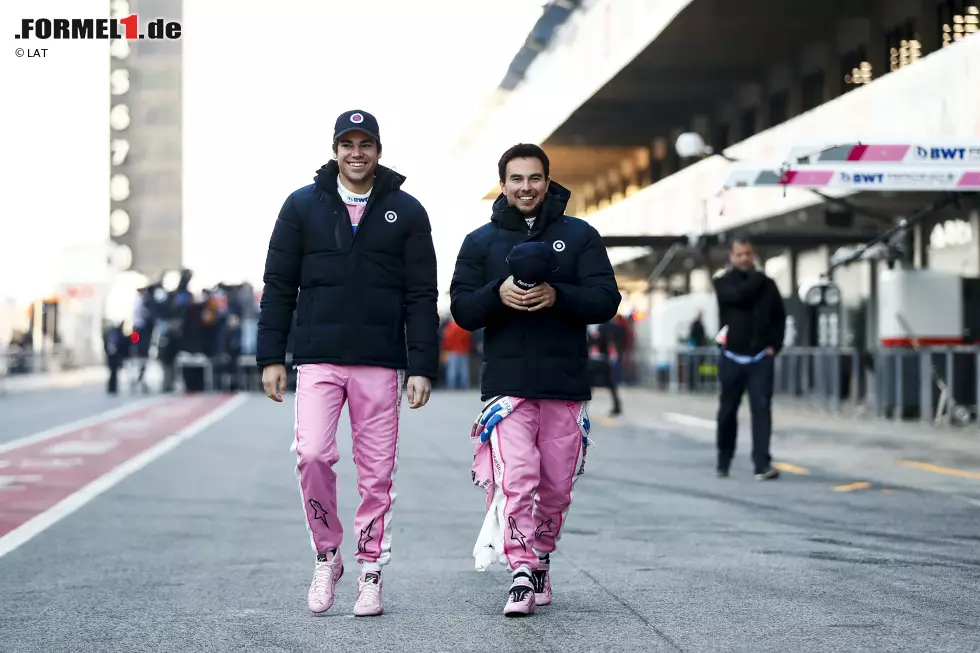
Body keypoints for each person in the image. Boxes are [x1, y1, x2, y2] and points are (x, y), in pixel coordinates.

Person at [256, 109, 439, 617]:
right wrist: (271, 355)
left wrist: (422, 365)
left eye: (366, 144)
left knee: (376, 472)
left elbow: (422, 295)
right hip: (317, 359)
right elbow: (278, 286)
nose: (356, 153)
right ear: (334, 149)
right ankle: (327, 553)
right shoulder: (302, 206)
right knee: (313, 454)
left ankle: (370, 570)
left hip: (380, 363)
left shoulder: (407, 210)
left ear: (379, 150)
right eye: (347, 144)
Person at [450, 143, 621, 617]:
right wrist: (498, 293)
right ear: (502, 184)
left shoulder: (580, 235)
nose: (526, 188)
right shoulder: (479, 242)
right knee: (517, 478)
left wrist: (557, 295)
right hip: (507, 386)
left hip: (564, 383)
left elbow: (606, 299)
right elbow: (462, 309)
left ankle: (541, 558)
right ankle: (521, 571)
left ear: (548, 181)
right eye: (516, 179)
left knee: (556, 487)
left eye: (534, 178)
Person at [712, 237, 785, 481]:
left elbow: (779, 316)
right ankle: (724, 460)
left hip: (760, 358)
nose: (744, 258)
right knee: (727, 411)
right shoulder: (722, 283)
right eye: (739, 254)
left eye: (748, 254)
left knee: (762, 409)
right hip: (732, 358)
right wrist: (758, 278)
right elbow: (739, 297)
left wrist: (775, 345)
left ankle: (762, 464)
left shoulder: (769, 285)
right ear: (732, 257)